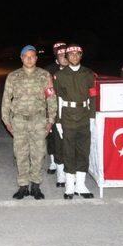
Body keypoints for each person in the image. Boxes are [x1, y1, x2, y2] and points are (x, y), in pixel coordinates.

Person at [1, 45, 57, 200]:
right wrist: (6, 121)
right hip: (19, 121)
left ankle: (36, 186)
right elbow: (6, 99)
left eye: (32, 56)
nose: (29, 58)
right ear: (21, 58)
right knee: (21, 154)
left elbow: (51, 98)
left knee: (38, 154)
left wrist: (50, 120)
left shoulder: (45, 76)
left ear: (36, 58)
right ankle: (23, 186)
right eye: (26, 56)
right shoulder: (13, 76)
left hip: (39, 121)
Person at [53, 44, 97, 199]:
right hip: (68, 117)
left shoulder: (89, 74)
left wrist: (92, 118)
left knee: (83, 151)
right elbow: (57, 99)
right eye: (70, 55)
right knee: (68, 151)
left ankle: (81, 185)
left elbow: (92, 97)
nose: (74, 57)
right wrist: (58, 121)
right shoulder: (60, 75)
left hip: (84, 116)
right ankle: (70, 185)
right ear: (66, 57)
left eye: (77, 54)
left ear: (81, 55)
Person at [43, 43, 68, 186]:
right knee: (53, 139)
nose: (64, 57)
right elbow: (47, 92)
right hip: (53, 110)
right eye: (60, 54)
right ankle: (54, 163)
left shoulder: (72, 70)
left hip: (69, 112)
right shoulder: (49, 71)